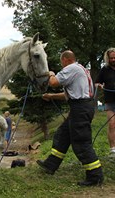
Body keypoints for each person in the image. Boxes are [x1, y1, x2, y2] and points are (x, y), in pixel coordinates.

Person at [37, 50, 103, 186]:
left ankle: (95, 175)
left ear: (66, 60)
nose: (62, 65)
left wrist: (51, 74)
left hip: (80, 109)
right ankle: (51, 164)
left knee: (81, 141)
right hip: (82, 107)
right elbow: (69, 94)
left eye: (62, 62)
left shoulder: (71, 68)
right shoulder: (81, 69)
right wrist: (51, 96)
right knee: (63, 135)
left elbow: (54, 82)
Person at [95, 48, 115, 158]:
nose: (113, 59)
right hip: (110, 101)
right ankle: (113, 150)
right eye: (111, 58)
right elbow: (97, 82)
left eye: (114, 57)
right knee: (112, 124)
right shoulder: (105, 70)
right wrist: (99, 85)